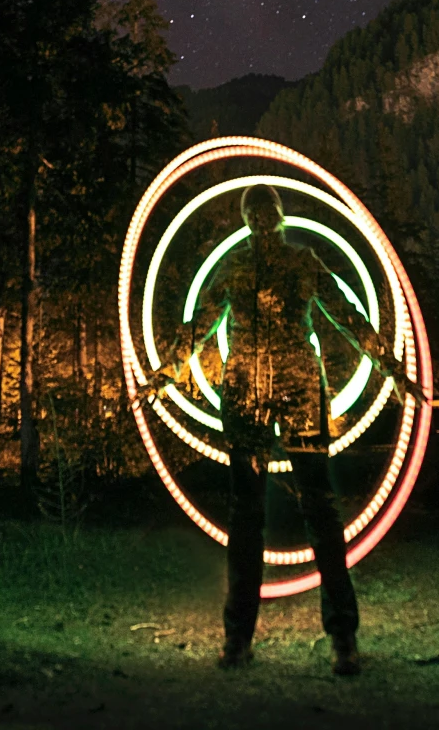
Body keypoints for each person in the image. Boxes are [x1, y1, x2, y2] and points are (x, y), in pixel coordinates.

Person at [156, 183, 413, 675]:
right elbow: (200, 324)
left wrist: (388, 366)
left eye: (267, 209)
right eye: (251, 211)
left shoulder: (303, 261)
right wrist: (167, 368)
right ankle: (239, 639)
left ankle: (342, 639)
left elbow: (345, 313)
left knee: (318, 509)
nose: (260, 218)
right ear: (245, 220)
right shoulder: (234, 269)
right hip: (246, 401)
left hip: (298, 396)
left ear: (279, 215)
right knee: (246, 517)